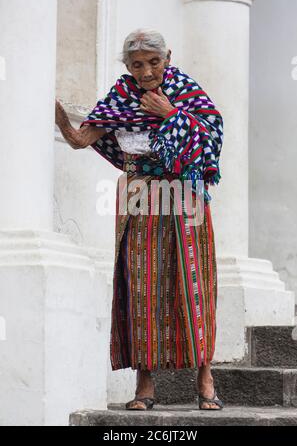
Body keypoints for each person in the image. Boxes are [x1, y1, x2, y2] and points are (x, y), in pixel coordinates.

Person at [55, 28, 224, 411]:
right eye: (136, 65)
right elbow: (82, 140)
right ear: (127, 66)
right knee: (141, 284)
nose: (146, 72)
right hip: (138, 194)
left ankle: (205, 379)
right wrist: (57, 115)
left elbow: (212, 140)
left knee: (192, 279)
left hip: (185, 193)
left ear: (168, 58)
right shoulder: (120, 96)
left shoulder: (185, 91)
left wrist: (171, 114)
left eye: (153, 62)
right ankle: (144, 385)